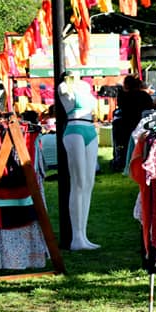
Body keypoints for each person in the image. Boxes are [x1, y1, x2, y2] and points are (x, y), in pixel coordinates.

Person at [57, 72, 101, 250]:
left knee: (88, 184)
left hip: (90, 129)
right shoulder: (64, 87)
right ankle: (76, 237)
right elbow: (64, 92)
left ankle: (83, 235)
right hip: (74, 130)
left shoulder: (85, 87)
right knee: (78, 182)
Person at [114, 75, 154, 172]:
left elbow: (121, 107)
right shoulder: (145, 95)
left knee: (125, 145)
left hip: (126, 123)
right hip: (141, 123)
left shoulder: (123, 96)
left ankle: (123, 162)